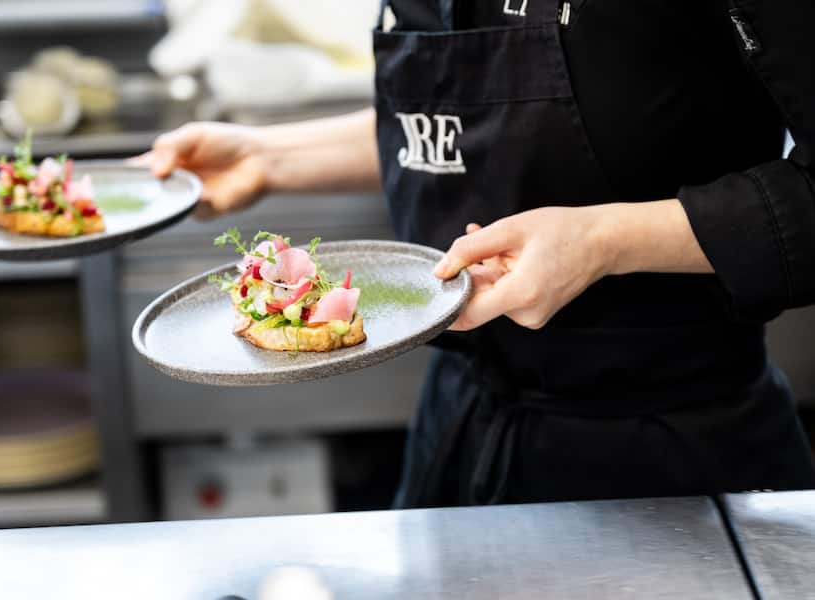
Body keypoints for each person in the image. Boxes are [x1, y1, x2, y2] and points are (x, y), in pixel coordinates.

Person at [140, 0, 815, 507]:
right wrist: (271, 157)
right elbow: (472, 129)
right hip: (461, 431)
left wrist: (602, 242)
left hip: (676, 458)